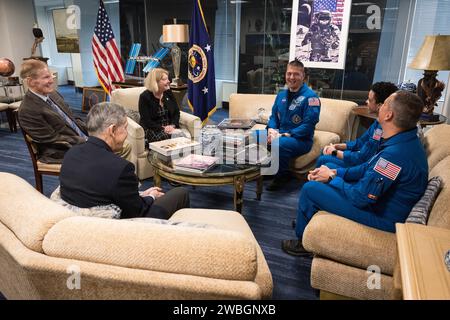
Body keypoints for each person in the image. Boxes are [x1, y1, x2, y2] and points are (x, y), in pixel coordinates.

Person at [282, 91, 428, 256]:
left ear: (388, 115)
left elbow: (360, 198)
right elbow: (367, 167)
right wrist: (335, 172)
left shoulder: (395, 155)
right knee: (324, 173)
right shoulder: (402, 141)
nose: (379, 106)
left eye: (384, 103)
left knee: (310, 189)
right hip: (376, 202)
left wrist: (331, 178)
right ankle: (307, 217)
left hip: (382, 217)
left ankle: (303, 244)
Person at [59, 102, 190, 219]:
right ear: (112, 130)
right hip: (121, 229)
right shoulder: (121, 168)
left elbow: (100, 191)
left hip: (78, 223)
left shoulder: (71, 153)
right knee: (180, 193)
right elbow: (138, 211)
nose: (127, 134)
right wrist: (151, 197)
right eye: (125, 128)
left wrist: (139, 195)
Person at [18, 59, 131, 163]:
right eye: (46, 77)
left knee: (124, 145)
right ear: (31, 82)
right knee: (116, 149)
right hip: (62, 151)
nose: (52, 80)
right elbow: (53, 139)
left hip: (80, 140)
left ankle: (111, 178)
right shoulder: (27, 110)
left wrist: (96, 131)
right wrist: (88, 141)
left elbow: (73, 119)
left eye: (51, 75)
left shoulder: (53, 94)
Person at [266, 59, 321, 191]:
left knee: (279, 143)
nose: (291, 77)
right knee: (255, 136)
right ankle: (266, 170)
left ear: (303, 76)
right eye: (289, 73)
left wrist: (285, 134)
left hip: (301, 140)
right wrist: (272, 130)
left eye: (296, 74)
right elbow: (273, 117)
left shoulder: (312, 98)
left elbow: (308, 126)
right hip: (280, 134)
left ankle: (282, 175)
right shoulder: (280, 95)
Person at [316, 82, 398, 169]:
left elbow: (362, 158)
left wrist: (335, 152)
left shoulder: (384, 128)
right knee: (324, 151)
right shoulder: (378, 122)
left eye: (370, 100)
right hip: (360, 159)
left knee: (323, 160)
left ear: (380, 106)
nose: (366, 101)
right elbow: (361, 142)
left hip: (363, 166)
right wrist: (339, 146)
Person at [139, 68, 182, 144]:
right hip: (153, 129)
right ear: (155, 82)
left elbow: (176, 112)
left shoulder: (168, 92)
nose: (169, 81)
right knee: (166, 138)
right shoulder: (144, 97)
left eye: (167, 79)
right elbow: (146, 120)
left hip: (170, 127)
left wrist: (172, 125)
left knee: (181, 136)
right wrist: (163, 128)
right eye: (165, 79)